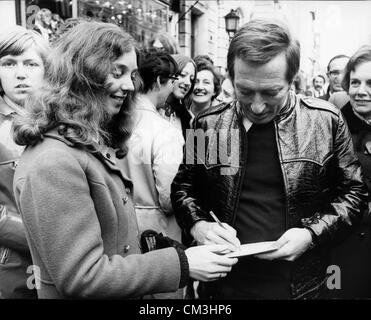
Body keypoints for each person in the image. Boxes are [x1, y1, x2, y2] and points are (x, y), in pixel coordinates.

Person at [11, 21, 237, 299]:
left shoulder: (81, 146)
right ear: (83, 75)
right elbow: (84, 276)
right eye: (117, 73)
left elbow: (113, 242)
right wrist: (184, 262)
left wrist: (170, 247)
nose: (130, 85)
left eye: (131, 74)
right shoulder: (54, 162)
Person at [171, 19, 367, 299]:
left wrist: (311, 234)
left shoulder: (326, 121)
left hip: (303, 286)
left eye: (271, 92)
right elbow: (184, 188)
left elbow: (354, 195)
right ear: (230, 77)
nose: (257, 106)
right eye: (245, 91)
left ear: (292, 79)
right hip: (224, 287)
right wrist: (199, 225)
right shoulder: (208, 125)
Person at [120, 52, 185, 298]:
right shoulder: (164, 131)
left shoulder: (115, 122)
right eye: (172, 82)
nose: (172, 89)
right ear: (159, 81)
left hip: (120, 231)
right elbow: (169, 197)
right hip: (157, 236)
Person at [0, 26, 50, 299]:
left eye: (30, 64)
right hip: (10, 272)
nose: (20, 73)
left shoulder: (63, 122)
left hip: (61, 269)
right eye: (9, 63)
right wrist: (39, 236)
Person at [331, 44, 371, 298]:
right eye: (355, 82)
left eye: (370, 83)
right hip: (342, 249)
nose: (362, 91)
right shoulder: (332, 123)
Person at [160, 54, 197, 139]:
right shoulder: (149, 109)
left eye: (191, 79)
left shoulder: (188, 118)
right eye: (183, 75)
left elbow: (193, 151)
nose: (188, 83)